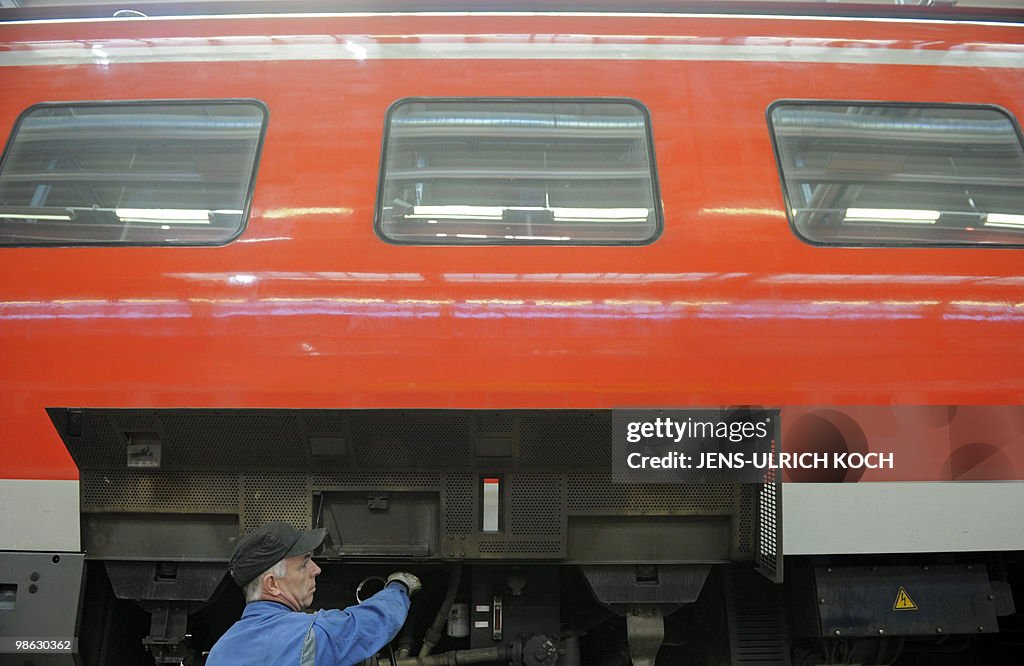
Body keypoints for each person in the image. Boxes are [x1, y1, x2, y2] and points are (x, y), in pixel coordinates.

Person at [206, 521, 421, 665]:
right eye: (304, 564)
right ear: (272, 584)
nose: (316, 570)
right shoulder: (308, 634)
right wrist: (398, 586)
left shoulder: (219, 651)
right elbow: (373, 622)